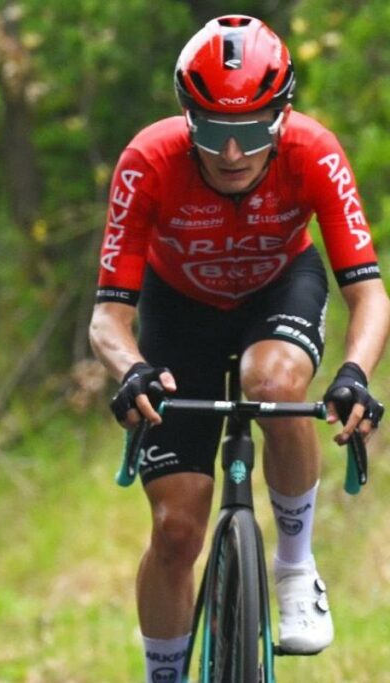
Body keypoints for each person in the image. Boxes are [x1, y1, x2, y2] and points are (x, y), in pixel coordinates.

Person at [88, 14, 389, 681]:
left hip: (278, 289)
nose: (231, 154)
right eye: (214, 132)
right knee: (176, 531)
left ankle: (295, 566)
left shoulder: (315, 151)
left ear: (282, 118)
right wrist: (131, 367)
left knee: (275, 382)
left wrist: (353, 372)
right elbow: (108, 316)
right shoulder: (148, 161)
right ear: (186, 118)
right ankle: (163, 674)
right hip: (179, 312)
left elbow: (370, 294)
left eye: (251, 133)